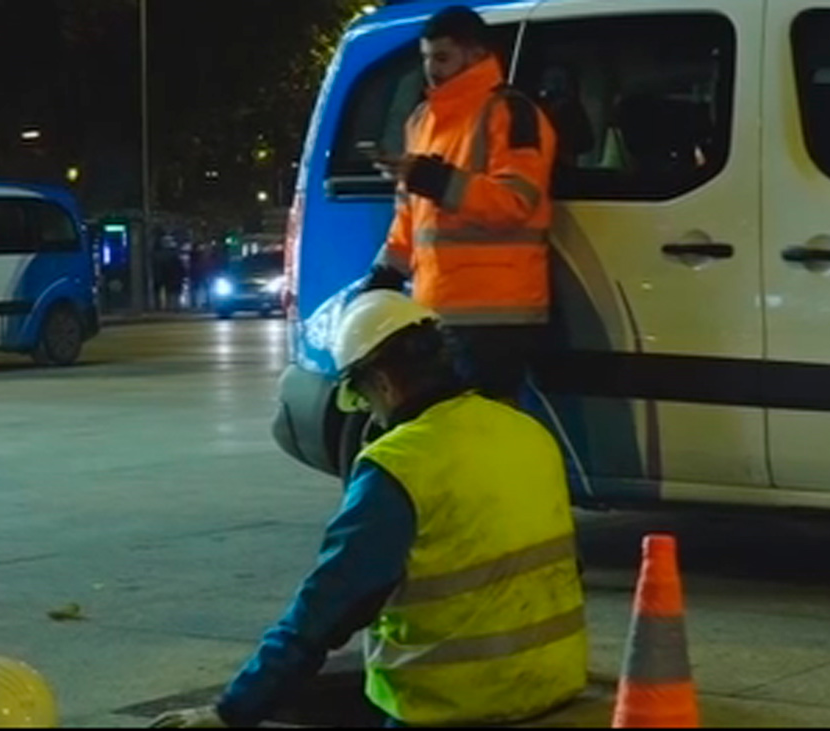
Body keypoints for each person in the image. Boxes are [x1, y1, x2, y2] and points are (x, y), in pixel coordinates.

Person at [152, 290, 587, 729]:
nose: (368, 413)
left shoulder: (400, 465)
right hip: (553, 683)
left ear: (382, 382)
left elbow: (326, 608)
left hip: (449, 704)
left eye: (359, 395)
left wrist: (233, 711)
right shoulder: (527, 432)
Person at [360, 5, 557, 406]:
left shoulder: (510, 113)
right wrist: (386, 273)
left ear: (477, 53)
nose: (431, 68)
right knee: (458, 429)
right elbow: (411, 217)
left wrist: (433, 179)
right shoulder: (422, 120)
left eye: (443, 57)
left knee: (481, 430)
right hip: (439, 309)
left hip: (496, 314)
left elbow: (515, 203)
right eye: (426, 57)